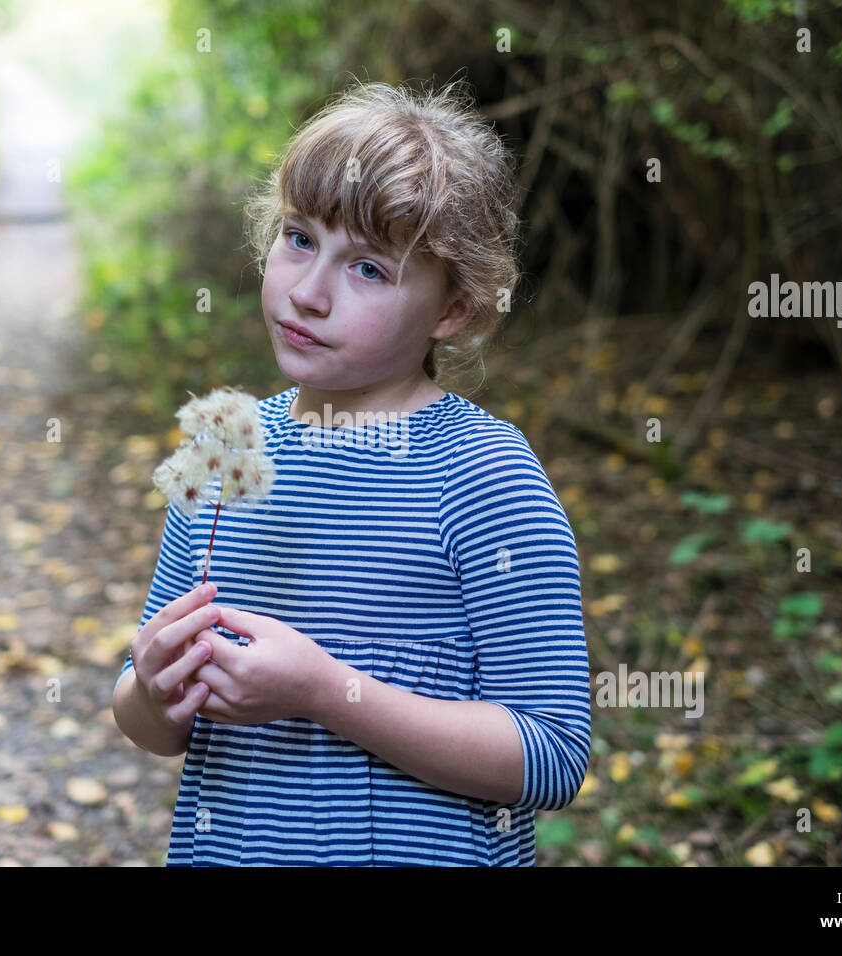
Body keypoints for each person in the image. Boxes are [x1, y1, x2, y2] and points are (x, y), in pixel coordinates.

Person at [112, 77, 591, 866]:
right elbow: (150, 717)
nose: (308, 293)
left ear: (452, 310)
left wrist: (328, 693)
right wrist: (154, 687)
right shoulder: (226, 447)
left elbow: (551, 755)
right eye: (299, 239)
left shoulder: (484, 474)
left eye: (368, 270)